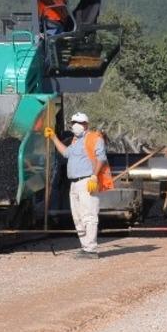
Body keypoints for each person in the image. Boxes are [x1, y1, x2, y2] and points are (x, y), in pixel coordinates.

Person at [44, 111, 108, 259]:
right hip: (74, 183)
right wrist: (53, 137)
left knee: (89, 215)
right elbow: (66, 153)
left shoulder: (94, 138)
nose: (75, 126)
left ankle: (91, 249)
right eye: (73, 123)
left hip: (87, 181)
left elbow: (101, 158)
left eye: (78, 123)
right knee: (78, 217)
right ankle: (85, 247)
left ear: (86, 124)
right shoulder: (75, 141)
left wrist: (94, 176)